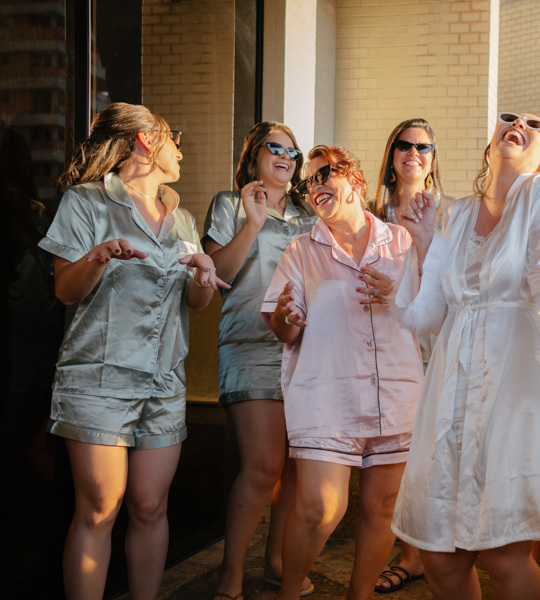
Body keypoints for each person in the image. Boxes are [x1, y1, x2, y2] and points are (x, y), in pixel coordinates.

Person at [391, 111, 540, 600]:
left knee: (503, 550)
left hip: (515, 382)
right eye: (509, 118)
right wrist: (424, 238)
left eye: (534, 125)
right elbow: (434, 312)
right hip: (451, 382)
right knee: (440, 556)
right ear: (490, 142)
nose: (518, 124)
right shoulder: (457, 211)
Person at [37, 102, 227, 600]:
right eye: (174, 136)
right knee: (99, 509)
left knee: (150, 507)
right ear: (146, 140)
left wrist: (205, 275)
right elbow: (65, 291)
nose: (180, 147)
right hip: (99, 381)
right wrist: (98, 256)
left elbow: (196, 302)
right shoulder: (87, 203)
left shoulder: (182, 218)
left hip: (164, 383)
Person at [261, 145, 424, 600]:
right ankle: (289, 593)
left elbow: (431, 315)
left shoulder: (402, 242)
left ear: (353, 179)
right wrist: (285, 319)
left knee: (383, 506)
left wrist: (398, 296)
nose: (314, 187)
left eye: (323, 175)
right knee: (319, 510)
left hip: (397, 395)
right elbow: (283, 329)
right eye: (308, 182)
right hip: (326, 399)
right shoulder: (301, 249)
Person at [203, 122, 316, 600]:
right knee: (264, 464)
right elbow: (216, 277)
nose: (286, 156)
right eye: (276, 147)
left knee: (293, 468)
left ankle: (274, 563)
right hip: (250, 346)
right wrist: (253, 222)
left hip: (304, 351)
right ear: (254, 154)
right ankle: (230, 573)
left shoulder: (310, 215)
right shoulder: (229, 204)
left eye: (294, 151)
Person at [370, 117, 447, 593]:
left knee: (426, 458)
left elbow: (449, 281)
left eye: (423, 146)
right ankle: (407, 553)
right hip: (381, 348)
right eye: (404, 144)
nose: (413, 152)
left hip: (433, 347)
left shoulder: (452, 212)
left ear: (433, 158)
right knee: (394, 462)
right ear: (391, 154)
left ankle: (423, 555)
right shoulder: (370, 212)